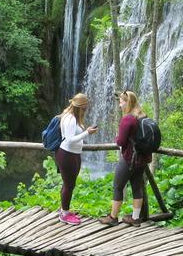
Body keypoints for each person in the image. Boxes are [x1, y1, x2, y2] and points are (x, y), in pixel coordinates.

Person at [99, 90, 150, 227]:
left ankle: (113, 217)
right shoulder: (142, 115)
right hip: (142, 158)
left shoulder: (128, 119)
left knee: (117, 186)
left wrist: (117, 137)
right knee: (136, 186)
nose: (120, 105)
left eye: (121, 102)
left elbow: (120, 141)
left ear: (127, 102)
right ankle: (135, 218)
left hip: (130, 158)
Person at [55, 92, 97, 225]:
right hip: (67, 154)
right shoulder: (70, 119)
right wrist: (87, 133)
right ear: (80, 106)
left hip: (73, 154)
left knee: (69, 184)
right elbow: (69, 140)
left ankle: (64, 210)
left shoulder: (71, 116)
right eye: (85, 106)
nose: (87, 109)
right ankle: (64, 214)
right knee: (69, 185)